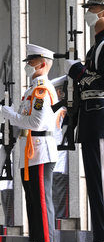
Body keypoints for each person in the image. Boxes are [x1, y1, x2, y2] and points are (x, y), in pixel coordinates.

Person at [1, 44, 58, 242]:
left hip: (41, 150)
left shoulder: (42, 90)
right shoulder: (30, 91)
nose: (28, 65)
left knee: (42, 200)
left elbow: (36, 121)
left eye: (31, 62)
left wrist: (12, 116)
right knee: (32, 201)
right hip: (29, 151)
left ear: (42, 64)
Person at [67, 0, 104, 242]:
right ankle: (100, 239)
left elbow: (96, 81)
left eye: (92, 10)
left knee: (101, 182)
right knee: (95, 184)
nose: (89, 14)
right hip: (91, 125)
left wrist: (80, 73)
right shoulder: (96, 46)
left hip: (101, 123)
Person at [51, 75, 69, 219]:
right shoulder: (61, 111)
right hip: (61, 164)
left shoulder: (53, 111)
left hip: (53, 162)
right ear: (59, 93)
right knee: (61, 204)